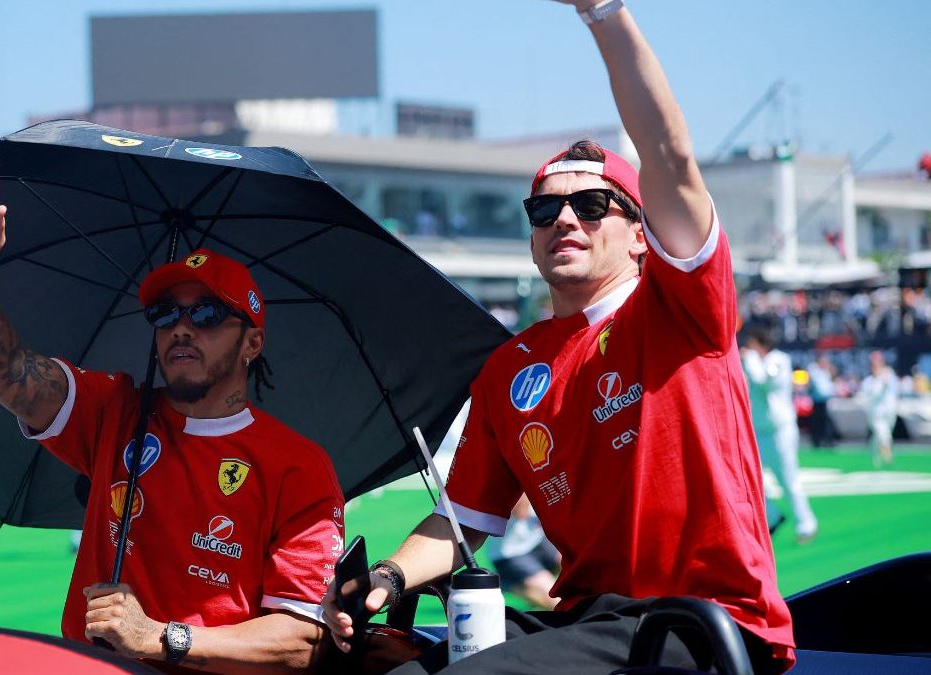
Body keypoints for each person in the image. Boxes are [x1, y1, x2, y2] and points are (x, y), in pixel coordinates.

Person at [324, 1, 795, 672]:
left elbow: (668, 152)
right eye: (545, 207)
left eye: (592, 203)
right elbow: (465, 522)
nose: (565, 217)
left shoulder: (681, 304)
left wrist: (604, 14)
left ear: (642, 235)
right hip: (588, 619)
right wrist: (390, 578)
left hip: (700, 621)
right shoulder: (508, 369)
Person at [0, 154, 345, 673]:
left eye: (208, 313)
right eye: (165, 313)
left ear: (252, 343)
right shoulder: (115, 409)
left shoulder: (299, 466)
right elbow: (3, 370)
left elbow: (300, 643)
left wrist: (162, 638)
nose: (182, 328)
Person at [741, 325, 818, 544]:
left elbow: (762, 382)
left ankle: (806, 524)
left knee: (787, 478)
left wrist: (751, 360)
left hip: (779, 431)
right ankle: (772, 515)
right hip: (759, 429)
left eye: (752, 344)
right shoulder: (754, 363)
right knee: (749, 478)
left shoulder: (778, 360)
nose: (747, 348)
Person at [485, 495, 559, 610]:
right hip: (510, 555)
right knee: (557, 602)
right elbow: (521, 511)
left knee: (579, 567)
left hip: (537, 540)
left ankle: (517, 585)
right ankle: (513, 585)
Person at [860, 350, 898, 467]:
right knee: (883, 434)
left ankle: (874, 454)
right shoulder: (868, 382)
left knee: (881, 435)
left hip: (890, 411)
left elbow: (894, 390)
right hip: (876, 414)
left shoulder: (889, 375)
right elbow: (872, 396)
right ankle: (887, 457)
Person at [806, 352, 837, 448]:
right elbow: (819, 387)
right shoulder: (814, 370)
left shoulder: (826, 372)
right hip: (817, 401)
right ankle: (816, 441)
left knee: (826, 422)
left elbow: (830, 386)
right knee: (816, 422)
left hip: (825, 401)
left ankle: (828, 441)